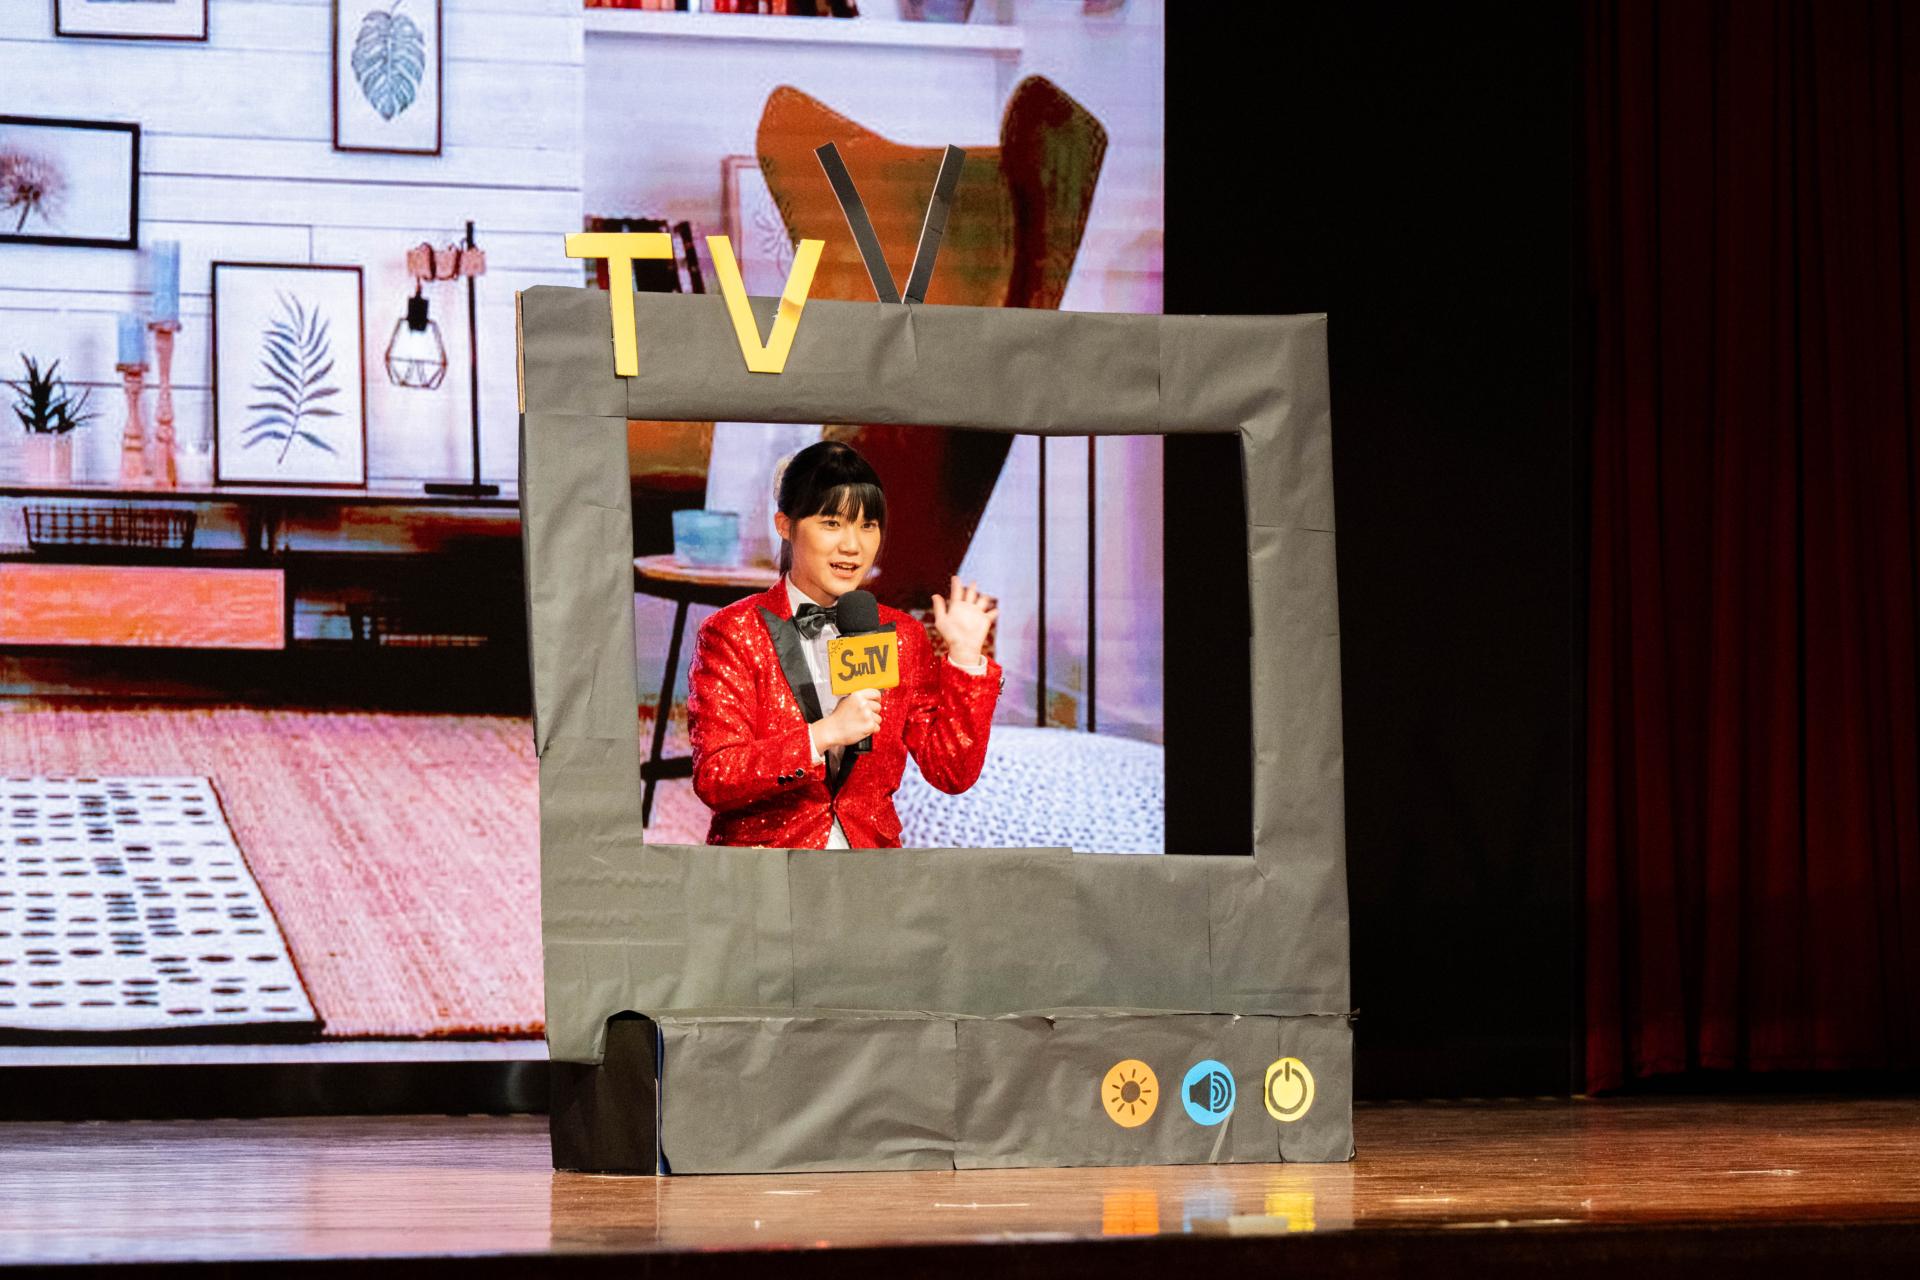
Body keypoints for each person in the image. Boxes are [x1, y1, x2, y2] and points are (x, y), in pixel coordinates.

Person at [685, 440, 1002, 849]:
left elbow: (951, 773)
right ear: (785, 525)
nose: (853, 546)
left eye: (867, 525)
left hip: (869, 868)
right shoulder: (733, 632)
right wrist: (824, 734)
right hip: (767, 865)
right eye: (832, 523)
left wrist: (966, 658)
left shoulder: (901, 636)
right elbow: (716, 776)